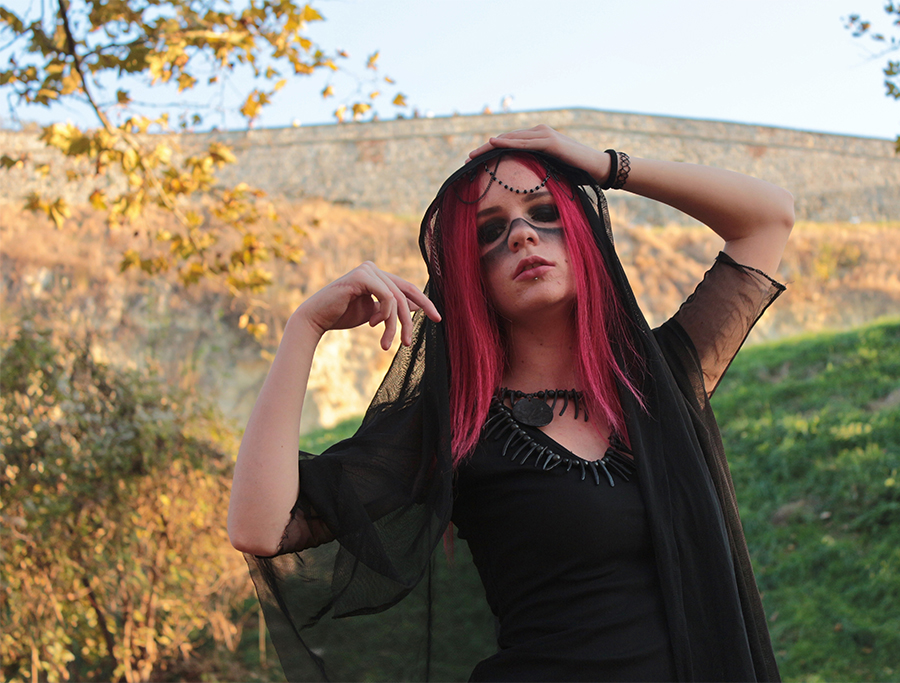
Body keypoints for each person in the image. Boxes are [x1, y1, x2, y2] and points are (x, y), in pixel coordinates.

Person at [227, 125, 794, 682]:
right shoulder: (457, 425)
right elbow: (262, 528)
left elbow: (767, 219)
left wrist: (603, 166)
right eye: (490, 232)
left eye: (545, 213)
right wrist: (305, 327)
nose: (522, 235)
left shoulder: (659, 382)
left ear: (584, 236)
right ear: (468, 274)